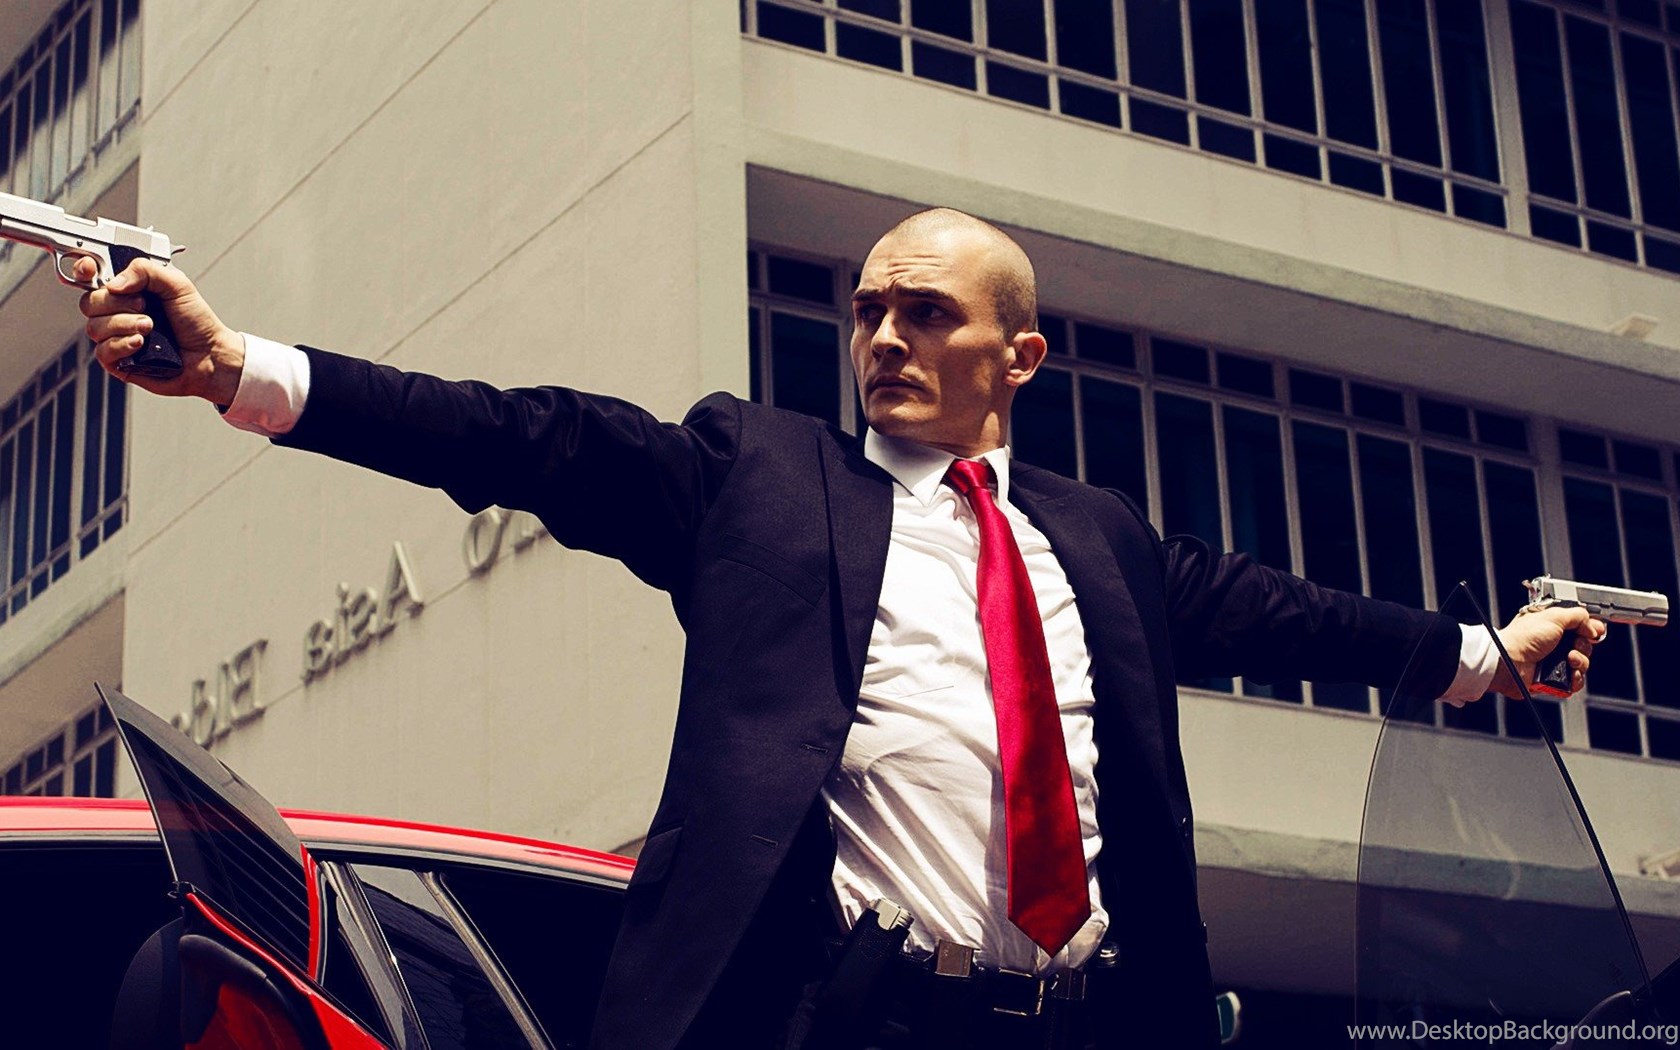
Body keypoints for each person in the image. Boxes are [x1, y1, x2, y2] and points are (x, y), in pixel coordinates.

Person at [75, 209, 1601, 1049]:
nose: (883, 335)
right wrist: (242, 370)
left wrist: (1481, 653)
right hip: (862, 1019)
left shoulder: (1099, 539)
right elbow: (520, 436)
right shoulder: (757, 477)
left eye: (927, 312)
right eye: (868, 309)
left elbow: (1286, 610)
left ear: (1018, 355)